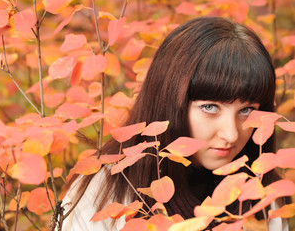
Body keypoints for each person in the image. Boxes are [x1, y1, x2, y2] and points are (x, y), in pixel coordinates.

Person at [54, 17, 290, 230]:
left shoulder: (266, 195)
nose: (230, 134)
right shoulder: (104, 195)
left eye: (246, 111)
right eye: (210, 107)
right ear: (169, 102)